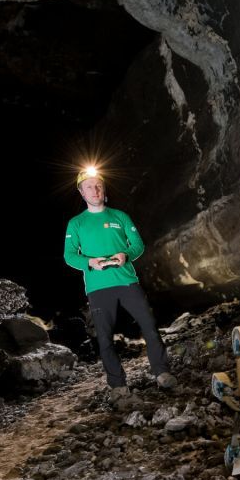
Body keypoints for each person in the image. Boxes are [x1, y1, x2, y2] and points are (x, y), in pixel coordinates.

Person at [63, 167, 176, 394]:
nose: (94, 190)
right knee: (104, 338)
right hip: (98, 287)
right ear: (82, 193)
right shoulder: (76, 223)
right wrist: (89, 263)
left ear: (103, 189)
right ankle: (118, 384)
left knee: (149, 326)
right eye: (89, 187)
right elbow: (69, 255)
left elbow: (137, 245)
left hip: (126, 281)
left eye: (98, 186)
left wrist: (126, 255)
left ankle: (161, 372)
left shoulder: (120, 216)